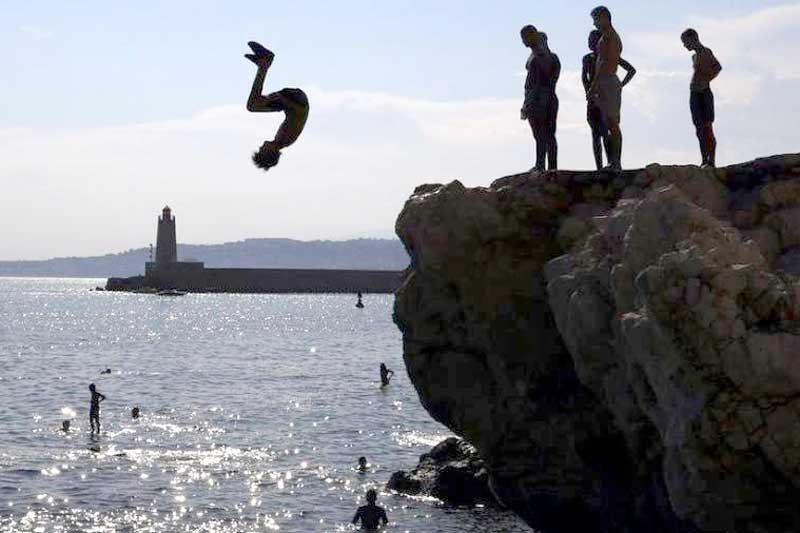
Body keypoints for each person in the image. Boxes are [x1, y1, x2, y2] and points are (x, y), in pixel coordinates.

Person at [245, 41, 309, 171]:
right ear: (269, 152)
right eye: (261, 150)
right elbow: (301, 112)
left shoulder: (280, 140)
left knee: (254, 104)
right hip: (297, 100)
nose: (261, 146)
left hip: (291, 102)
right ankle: (264, 63)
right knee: (253, 105)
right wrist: (283, 99)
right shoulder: (286, 139)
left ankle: (263, 64)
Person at [582, 30, 636, 170]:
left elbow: (631, 70)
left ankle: (613, 162)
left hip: (607, 95)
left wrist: (620, 85)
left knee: (609, 129)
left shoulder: (609, 56)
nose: (590, 43)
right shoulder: (587, 59)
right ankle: (599, 166)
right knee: (595, 133)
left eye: (594, 39)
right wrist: (589, 92)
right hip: (593, 97)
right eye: (589, 40)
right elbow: (585, 77)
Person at [587, 6, 624, 171]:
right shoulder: (608, 37)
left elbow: (602, 63)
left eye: (596, 19)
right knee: (609, 123)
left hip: (607, 81)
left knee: (612, 123)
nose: (594, 24)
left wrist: (593, 86)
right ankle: (614, 161)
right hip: (607, 81)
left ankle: (615, 161)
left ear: (603, 17)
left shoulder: (609, 37)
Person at [521, 27, 561, 171]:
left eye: (524, 37)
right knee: (549, 134)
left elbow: (535, 84)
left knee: (540, 134)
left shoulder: (538, 57)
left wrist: (527, 104)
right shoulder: (552, 57)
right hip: (550, 97)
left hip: (539, 99)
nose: (523, 41)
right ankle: (551, 167)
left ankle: (541, 165)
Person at [681, 29, 722, 167]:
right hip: (694, 92)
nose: (685, 45)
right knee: (698, 128)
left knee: (707, 126)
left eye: (685, 42)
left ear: (693, 39)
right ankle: (704, 159)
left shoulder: (705, 52)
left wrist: (707, 77)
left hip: (704, 92)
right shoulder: (694, 56)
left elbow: (717, 67)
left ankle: (712, 160)